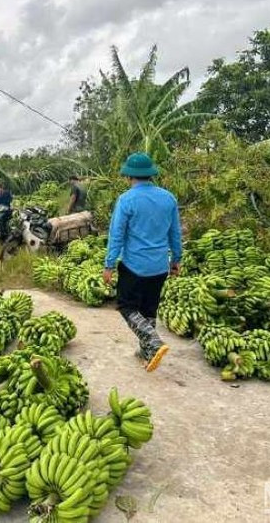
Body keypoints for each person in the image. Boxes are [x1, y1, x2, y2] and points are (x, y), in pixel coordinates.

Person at [102, 153, 182, 373]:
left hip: (134, 266)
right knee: (148, 309)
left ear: (129, 176)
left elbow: (117, 235)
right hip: (158, 266)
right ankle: (147, 352)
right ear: (150, 174)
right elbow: (175, 232)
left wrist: (109, 265)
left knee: (126, 306)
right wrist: (176, 259)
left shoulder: (126, 200)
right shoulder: (168, 198)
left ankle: (153, 341)